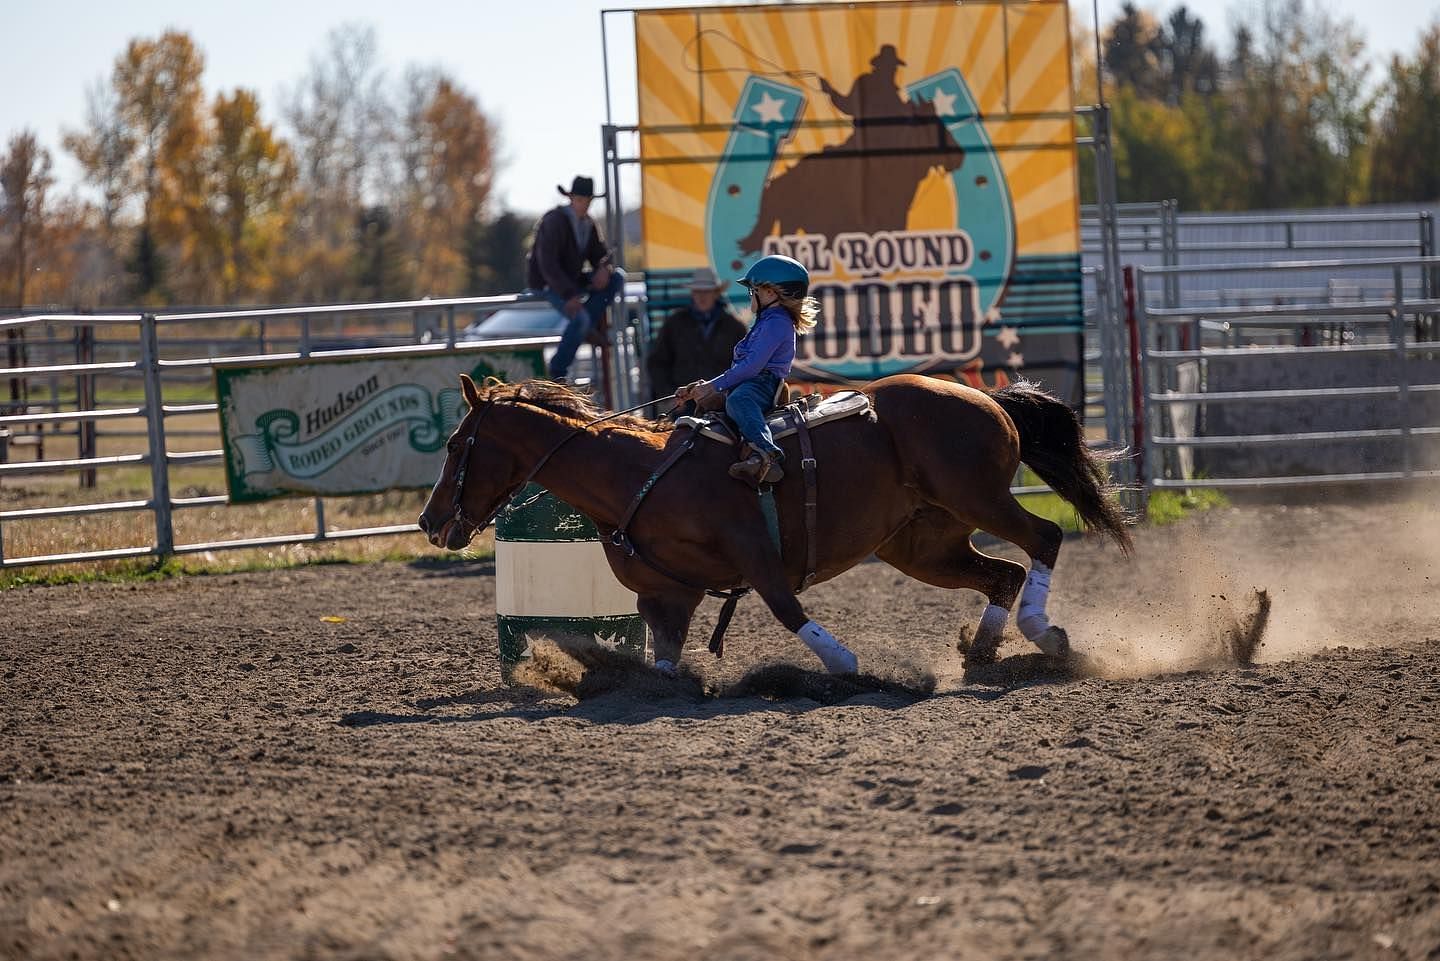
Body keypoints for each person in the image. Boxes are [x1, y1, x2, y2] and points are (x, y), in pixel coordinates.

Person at [676, 254, 819, 486]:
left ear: (771, 293)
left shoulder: (776, 322)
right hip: (753, 382)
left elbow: (751, 367)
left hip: (762, 384)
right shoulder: (768, 320)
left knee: (738, 401)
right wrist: (700, 389)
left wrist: (713, 385)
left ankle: (767, 454)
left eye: (755, 290)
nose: (752, 294)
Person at [525, 175, 626, 382]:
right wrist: (570, 295)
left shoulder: (588, 224)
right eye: (580, 200)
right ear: (571, 199)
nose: (584, 205)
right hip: (548, 283)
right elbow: (548, 265)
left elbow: (601, 254)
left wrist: (604, 268)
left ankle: (586, 327)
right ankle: (557, 372)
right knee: (580, 319)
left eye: (587, 201)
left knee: (617, 277)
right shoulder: (554, 221)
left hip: (570, 280)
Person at [647, 267, 746, 412]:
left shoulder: (734, 327)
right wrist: (668, 395)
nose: (702, 296)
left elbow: (744, 366)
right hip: (684, 402)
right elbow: (657, 362)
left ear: (716, 293)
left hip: (722, 402)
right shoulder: (674, 323)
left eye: (706, 291)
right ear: (692, 294)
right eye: (697, 291)